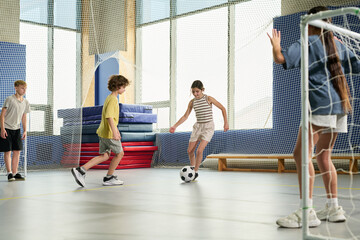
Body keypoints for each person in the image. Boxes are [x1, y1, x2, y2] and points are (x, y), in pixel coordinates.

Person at [267, 6, 360, 228]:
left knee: (301, 154)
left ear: (310, 23)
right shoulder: (337, 44)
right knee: (323, 157)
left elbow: (281, 58)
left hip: (318, 106)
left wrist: (276, 47)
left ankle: (306, 211)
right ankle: (334, 206)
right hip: (339, 106)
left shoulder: (307, 42)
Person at [71, 75, 130, 187]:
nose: (125, 89)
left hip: (103, 132)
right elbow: (109, 117)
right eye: (124, 87)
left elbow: (110, 117)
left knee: (105, 156)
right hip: (108, 133)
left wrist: (115, 130)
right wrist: (114, 132)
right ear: (118, 87)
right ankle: (109, 178)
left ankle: (81, 170)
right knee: (120, 153)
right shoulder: (113, 99)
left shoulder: (109, 98)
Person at [169, 80, 229, 180]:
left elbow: (223, 108)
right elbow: (185, 116)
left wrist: (226, 122)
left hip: (208, 127)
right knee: (189, 151)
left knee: (199, 150)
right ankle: (192, 168)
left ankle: (195, 172)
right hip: (198, 127)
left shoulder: (208, 98)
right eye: (193, 92)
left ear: (202, 90)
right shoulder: (192, 102)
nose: (195, 94)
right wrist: (175, 126)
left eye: (197, 91)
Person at [0, 80, 30, 181]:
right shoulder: (9, 99)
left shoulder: (25, 102)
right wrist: (2, 129)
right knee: (8, 151)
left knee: (17, 151)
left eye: (25, 88)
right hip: (7, 128)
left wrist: (25, 130)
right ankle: (9, 173)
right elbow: (2, 115)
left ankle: (15, 172)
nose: (24, 90)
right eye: (22, 88)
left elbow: (24, 117)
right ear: (16, 88)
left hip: (17, 129)